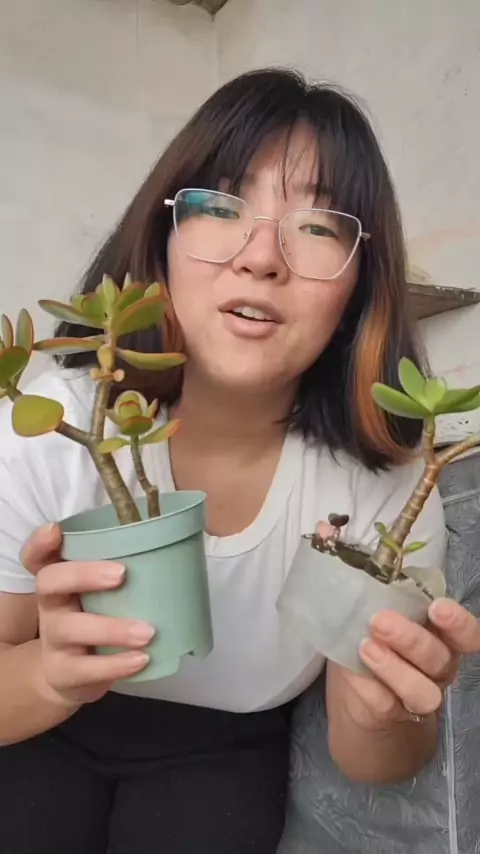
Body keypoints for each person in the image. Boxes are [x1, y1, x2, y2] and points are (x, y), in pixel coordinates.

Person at [0, 67, 479, 854]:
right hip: (42, 722)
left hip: (226, 746)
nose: (261, 257)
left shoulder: (384, 480)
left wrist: (384, 715)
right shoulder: (54, 424)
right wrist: (50, 676)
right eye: (221, 206)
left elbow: (376, 758)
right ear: (161, 240)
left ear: (360, 287)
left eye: (318, 225)